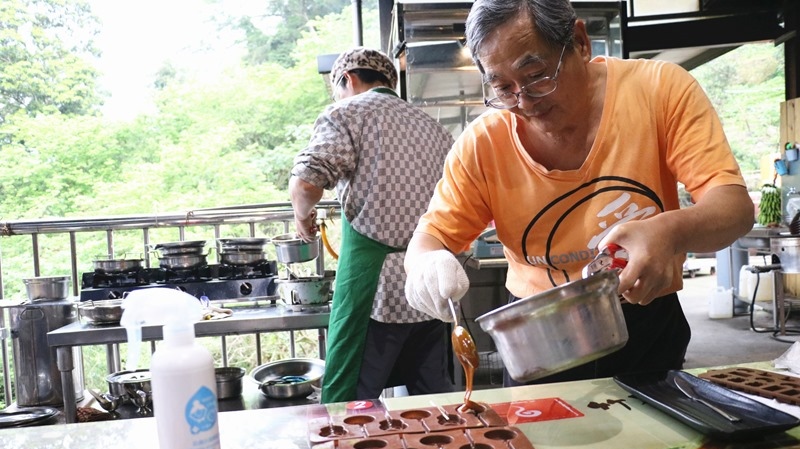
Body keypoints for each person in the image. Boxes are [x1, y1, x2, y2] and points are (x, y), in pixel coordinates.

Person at [403, 0, 754, 385]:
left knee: (659, 441)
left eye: (536, 76)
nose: (524, 103)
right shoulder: (482, 145)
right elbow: (431, 237)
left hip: (645, 315)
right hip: (536, 331)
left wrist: (669, 231)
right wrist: (426, 265)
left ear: (581, 43)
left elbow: (733, 206)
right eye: (503, 88)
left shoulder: (659, 90)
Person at [289, 46, 456, 403]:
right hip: (428, 282)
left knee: (349, 402)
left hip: (374, 287)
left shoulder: (347, 114)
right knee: (432, 401)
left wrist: (303, 220)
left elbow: (305, 184)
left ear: (347, 79)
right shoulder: (435, 129)